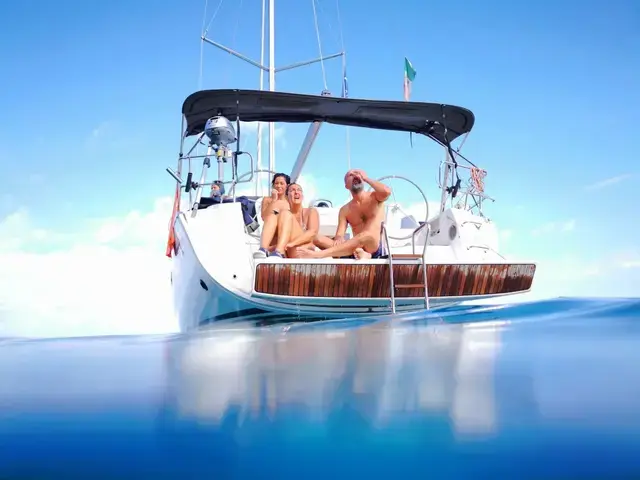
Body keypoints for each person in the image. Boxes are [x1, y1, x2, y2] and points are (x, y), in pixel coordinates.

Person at [298, 168, 391, 260]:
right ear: (346, 185)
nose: (355, 175)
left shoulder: (375, 197)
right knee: (316, 238)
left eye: (357, 173)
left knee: (365, 235)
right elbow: (339, 234)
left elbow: (386, 191)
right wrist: (339, 238)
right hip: (354, 249)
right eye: (350, 175)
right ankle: (361, 253)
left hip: (374, 248)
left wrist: (366, 178)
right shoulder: (345, 210)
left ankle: (319, 255)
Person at [254, 182, 319, 258]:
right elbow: (265, 217)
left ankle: (279, 251)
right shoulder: (282, 211)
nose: (296, 192)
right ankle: (263, 249)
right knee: (273, 215)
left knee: (285, 214)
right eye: (292, 190)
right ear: (287, 196)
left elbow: (312, 233)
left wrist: (290, 244)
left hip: (300, 250)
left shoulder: (311, 211)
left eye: (299, 190)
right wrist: (274, 200)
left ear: (302, 195)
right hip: (283, 252)